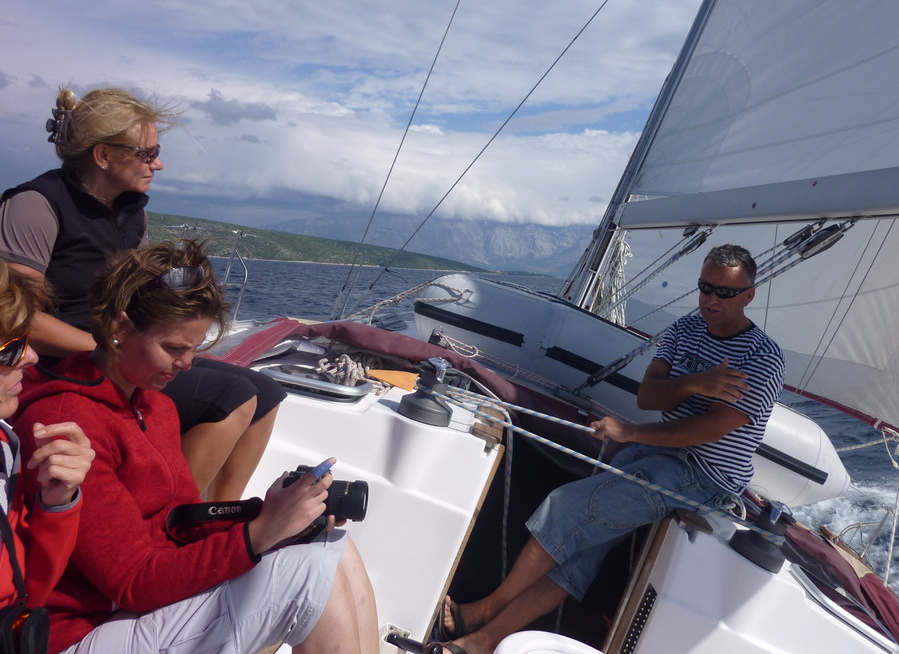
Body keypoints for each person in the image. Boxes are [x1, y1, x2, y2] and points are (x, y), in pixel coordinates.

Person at [13, 241, 379, 654]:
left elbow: (183, 520)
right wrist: (261, 533)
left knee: (332, 547)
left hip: (136, 608)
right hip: (81, 631)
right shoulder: (68, 424)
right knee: (308, 575)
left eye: (195, 347)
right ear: (120, 328)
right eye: (173, 348)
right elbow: (134, 581)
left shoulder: (156, 408)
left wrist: (272, 514)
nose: (187, 363)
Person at [434, 245, 784, 654]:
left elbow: (707, 431)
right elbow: (648, 396)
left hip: (705, 478)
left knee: (564, 508)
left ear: (748, 295)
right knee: (576, 554)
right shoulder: (687, 328)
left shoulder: (762, 358)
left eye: (724, 292)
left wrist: (630, 433)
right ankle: (482, 643)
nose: (711, 299)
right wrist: (695, 382)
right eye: (705, 287)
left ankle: (483, 612)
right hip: (658, 457)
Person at [0, 86, 284, 500]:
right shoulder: (35, 205)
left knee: (268, 392)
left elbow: (140, 294)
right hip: (54, 365)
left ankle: (220, 515)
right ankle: (172, 517)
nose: (158, 164)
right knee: (231, 397)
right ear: (103, 155)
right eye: (147, 154)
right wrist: (108, 346)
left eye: (157, 152)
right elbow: (15, 316)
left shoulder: (131, 212)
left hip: (111, 349)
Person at [0, 261, 93, 610]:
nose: (32, 357)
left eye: (25, 340)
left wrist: (57, 503)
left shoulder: (5, 442)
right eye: (9, 348)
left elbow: (27, 592)